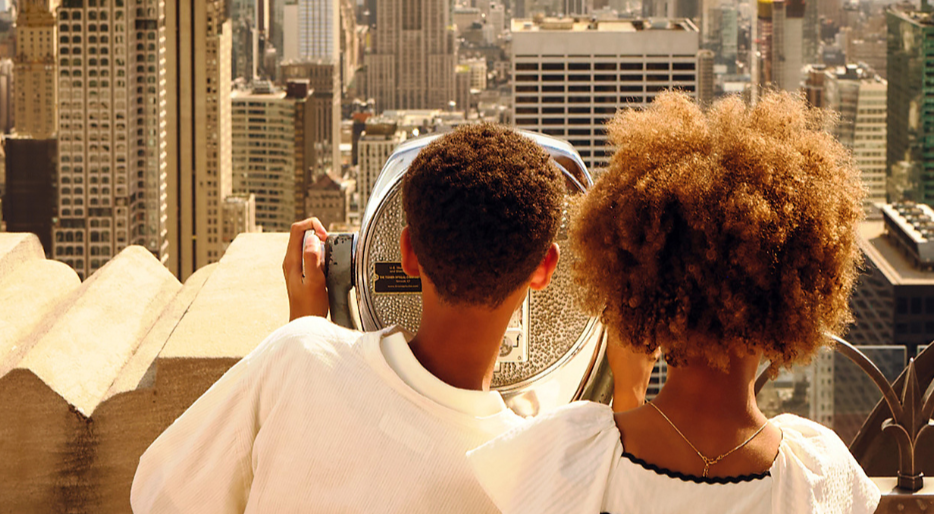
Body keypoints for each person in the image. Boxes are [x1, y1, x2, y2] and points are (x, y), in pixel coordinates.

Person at [132, 123, 646, 513]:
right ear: (545, 270)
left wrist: (306, 330)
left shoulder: (298, 356)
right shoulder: (542, 470)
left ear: (405, 253)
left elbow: (158, 493)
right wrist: (631, 391)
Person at [469, 91, 882, 514]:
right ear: (800, 289)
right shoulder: (817, 475)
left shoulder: (571, 453)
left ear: (641, 281)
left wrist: (627, 392)